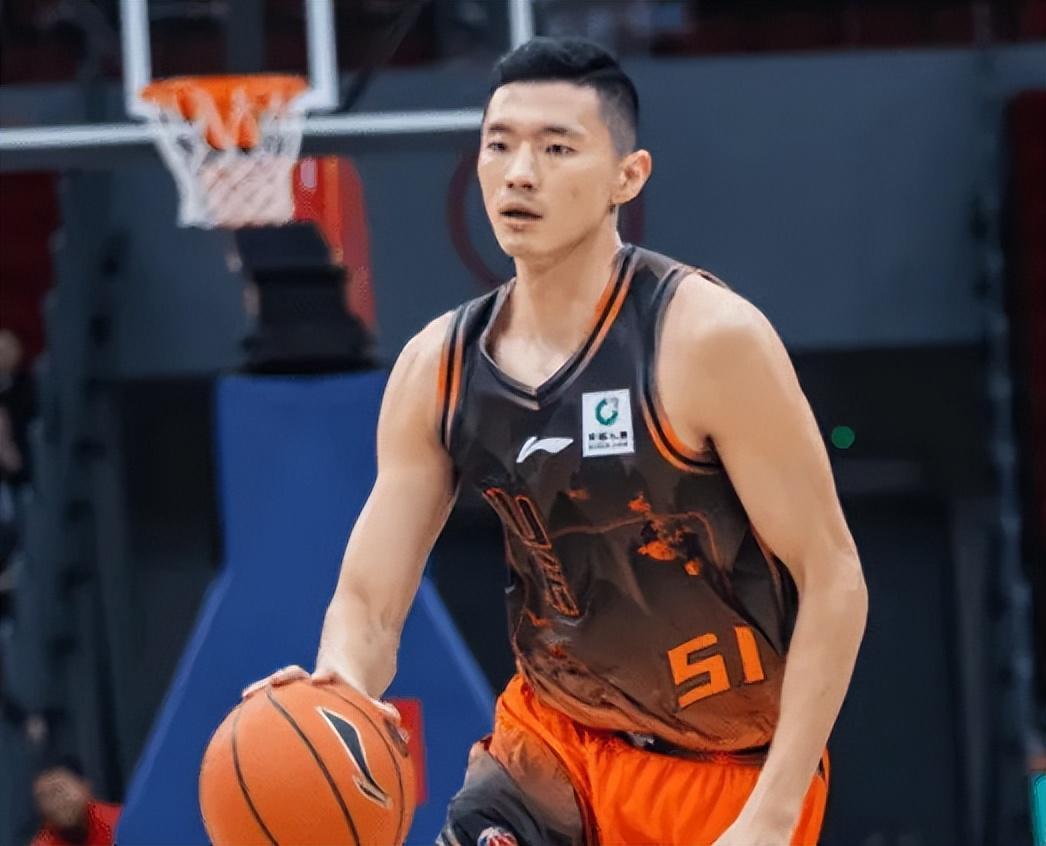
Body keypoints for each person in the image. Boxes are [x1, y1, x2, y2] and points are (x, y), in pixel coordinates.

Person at [244, 36, 868, 846]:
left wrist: (775, 812)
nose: (519, 173)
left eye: (556, 148)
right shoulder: (440, 368)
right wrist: (341, 690)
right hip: (551, 745)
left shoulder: (707, 340)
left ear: (627, 177)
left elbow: (834, 580)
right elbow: (369, 601)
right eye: (498, 145)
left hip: (725, 767)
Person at [30, 757, 120, 846]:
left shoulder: (118, 822)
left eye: (58, 790)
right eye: (44, 796)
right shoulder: (42, 843)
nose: (54, 803)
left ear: (84, 786)